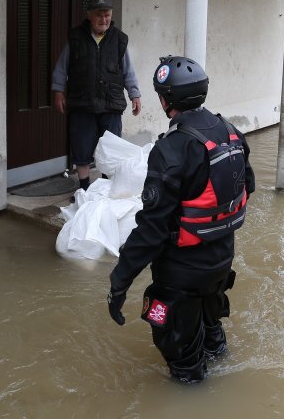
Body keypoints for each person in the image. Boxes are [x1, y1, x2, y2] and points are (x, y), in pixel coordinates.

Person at [106, 55, 255, 383]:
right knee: (212, 333)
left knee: (181, 354)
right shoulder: (231, 133)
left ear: (164, 100)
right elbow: (248, 187)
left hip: (181, 273)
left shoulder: (171, 150)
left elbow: (151, 230)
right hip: (221, 261)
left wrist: (119, 284)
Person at [51, 0, 141, 192]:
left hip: (111, 103)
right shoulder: (75, 38)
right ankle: (83, 188)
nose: (104, 19)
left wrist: (135, 94)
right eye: (99, 15)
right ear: (90, 16)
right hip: (82, 102)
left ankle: (107, 188)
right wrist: (58, 91)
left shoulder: (119, 39)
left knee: (111, 147)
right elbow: (61, 68)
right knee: (81, 146)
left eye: (107, 15)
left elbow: (128, 71)